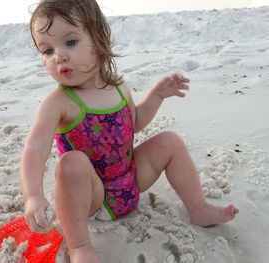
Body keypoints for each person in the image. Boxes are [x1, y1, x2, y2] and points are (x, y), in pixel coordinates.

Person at [20, 0, 239, 262]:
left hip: (130, 182)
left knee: (170, 140)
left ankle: (198, 207)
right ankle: (79, 246)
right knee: (71, 163)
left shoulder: (118, 85)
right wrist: (33, 195)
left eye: (70, 42)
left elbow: (133, 123)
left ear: (99, 39)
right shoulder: (57, 103)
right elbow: (35, 148)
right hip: (91, 196)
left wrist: (157, 95)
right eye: (47, 50)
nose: (58, 56)